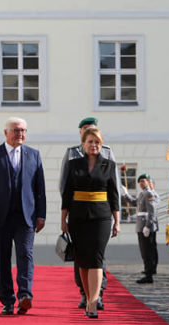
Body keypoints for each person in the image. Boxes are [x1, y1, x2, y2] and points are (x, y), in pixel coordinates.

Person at [0, 117, 46, 315]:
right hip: (0, 217)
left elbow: (40, 188)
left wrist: (41, 214)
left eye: (24, 131)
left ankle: (25, 296)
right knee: (2, 258)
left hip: (26, 216)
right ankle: (7, 300)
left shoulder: (33, 155)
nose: (21, 135)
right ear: (6, 132)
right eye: (16, 130)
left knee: (26, 255)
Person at [58, 117, 120, 310]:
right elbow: (65, 187)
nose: (93, 143)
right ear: (81, 137)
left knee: (97, 257)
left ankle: (95, 297)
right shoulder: (72, 157)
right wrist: (64, 216)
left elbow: (114, 190)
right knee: (82, 257)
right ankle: (84, 293)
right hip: (78, 213)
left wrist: (117, 220)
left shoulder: (108, 158)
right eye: (88, 136)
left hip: (101, 215)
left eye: (96, 139)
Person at [122, 173, 159, 284]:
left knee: (147, 251)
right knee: (145, 251)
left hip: (145, 226)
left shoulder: (149, 193)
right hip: (141, 225)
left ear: (148, 181)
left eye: (143, 181)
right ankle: (148, 270)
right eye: (140, 182)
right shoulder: (143, 193)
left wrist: (148, 226)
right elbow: (135, 203)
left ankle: (149, 275)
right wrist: (126, 195)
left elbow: (151, 211)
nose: (141, 183)